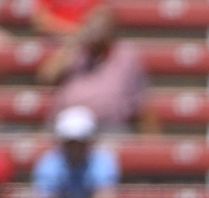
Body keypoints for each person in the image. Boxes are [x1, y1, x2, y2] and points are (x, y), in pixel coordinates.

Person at [37, 4, 154, 134]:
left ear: (113, 29)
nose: (97, 29)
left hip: (110, 129)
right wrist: (76, 41)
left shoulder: (125, 56)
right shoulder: (77, 51)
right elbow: (47, 76)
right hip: (71, 126)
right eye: (92, 24)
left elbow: (143, 103)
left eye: (102, 25)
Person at [32, 105, 119, 198]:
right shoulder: (49, 162)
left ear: (90, 141)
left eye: (81, 142)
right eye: (70, 142)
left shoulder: (103, 161)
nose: (75, 148)